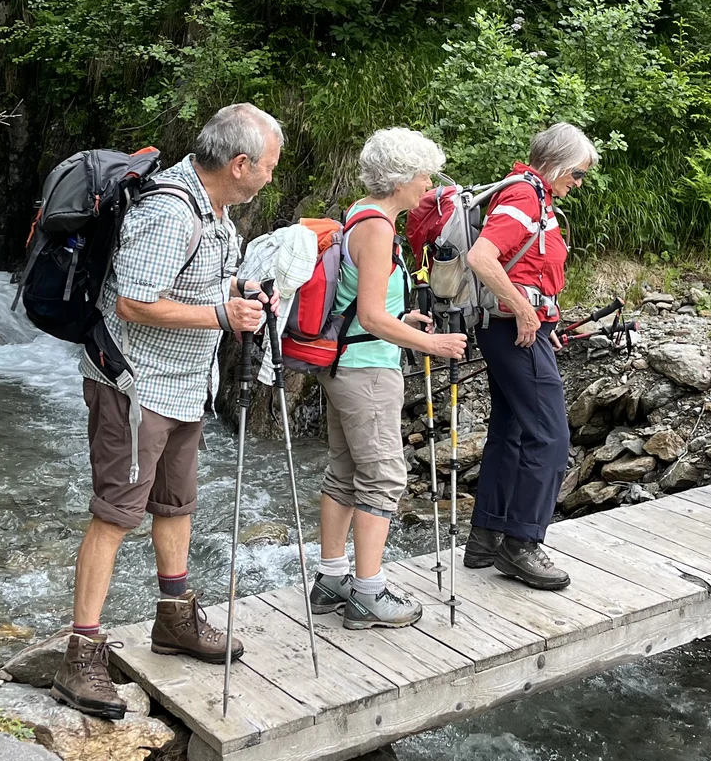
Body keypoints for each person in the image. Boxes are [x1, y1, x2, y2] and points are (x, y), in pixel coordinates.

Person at [52, 103, 281, 718]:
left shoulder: (217, 213)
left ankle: (174, 618)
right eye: (269, 165)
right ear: (240, 164)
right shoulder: (169, 210)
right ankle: (81, 653)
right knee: (115, 513)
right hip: (136, 385)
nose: (271, 176)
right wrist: (222, 315)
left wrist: (240, 292)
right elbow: (133, 302)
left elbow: (197, 282)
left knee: (176, 503)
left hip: (185, 385)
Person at [306, 129, 468, 628]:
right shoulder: (377, 229)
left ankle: (332, 580)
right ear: (400, 179)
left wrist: (405, 319)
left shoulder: (360, 213)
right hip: (367, 372)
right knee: (383, 478)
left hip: (344, 366)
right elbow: (372, 317)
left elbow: (364, 302)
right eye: (423, 176)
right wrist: (432, 344)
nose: (428, 185)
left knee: (344, 472)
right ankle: (367, 594)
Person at [462, 122, 598, 590]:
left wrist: (544, 319)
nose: (578, 183)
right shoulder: (524, 196)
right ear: (557, 164)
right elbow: (481, 257)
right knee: (551, 437)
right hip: (514, 331)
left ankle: (485, 538)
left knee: (512, 431)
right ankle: (521, 544)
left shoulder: (531, 195)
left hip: (511, 330)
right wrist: (524, 312)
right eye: (578, 173)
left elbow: (528, 270)